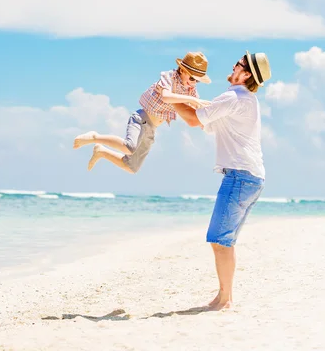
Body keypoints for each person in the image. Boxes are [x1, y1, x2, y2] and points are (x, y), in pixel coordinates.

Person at [172, 51, 272, 311]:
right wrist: (185, 100)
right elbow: (207, 120)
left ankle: (225, 299)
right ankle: (224, 296)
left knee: (220, 240)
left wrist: (167, 98)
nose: (233, 64)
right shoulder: (246, 100)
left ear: (246, 74)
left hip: (240, 176)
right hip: (251, 177)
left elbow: (194, 120)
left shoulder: (234, 96)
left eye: (238, 63)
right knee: (224, 241)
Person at [73, 52, 212, 173]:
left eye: (197, 81)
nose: (193, 84)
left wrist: (206, 123)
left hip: (151, 128)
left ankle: (101, 151)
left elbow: (196, 111)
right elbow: (166, 96)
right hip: (141, 118)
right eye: (192, 78)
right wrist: (192, 100)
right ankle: (94, 136)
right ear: (182, 70)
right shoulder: (169, 77)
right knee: (129, 147)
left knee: (131, 167)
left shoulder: (191, 90)